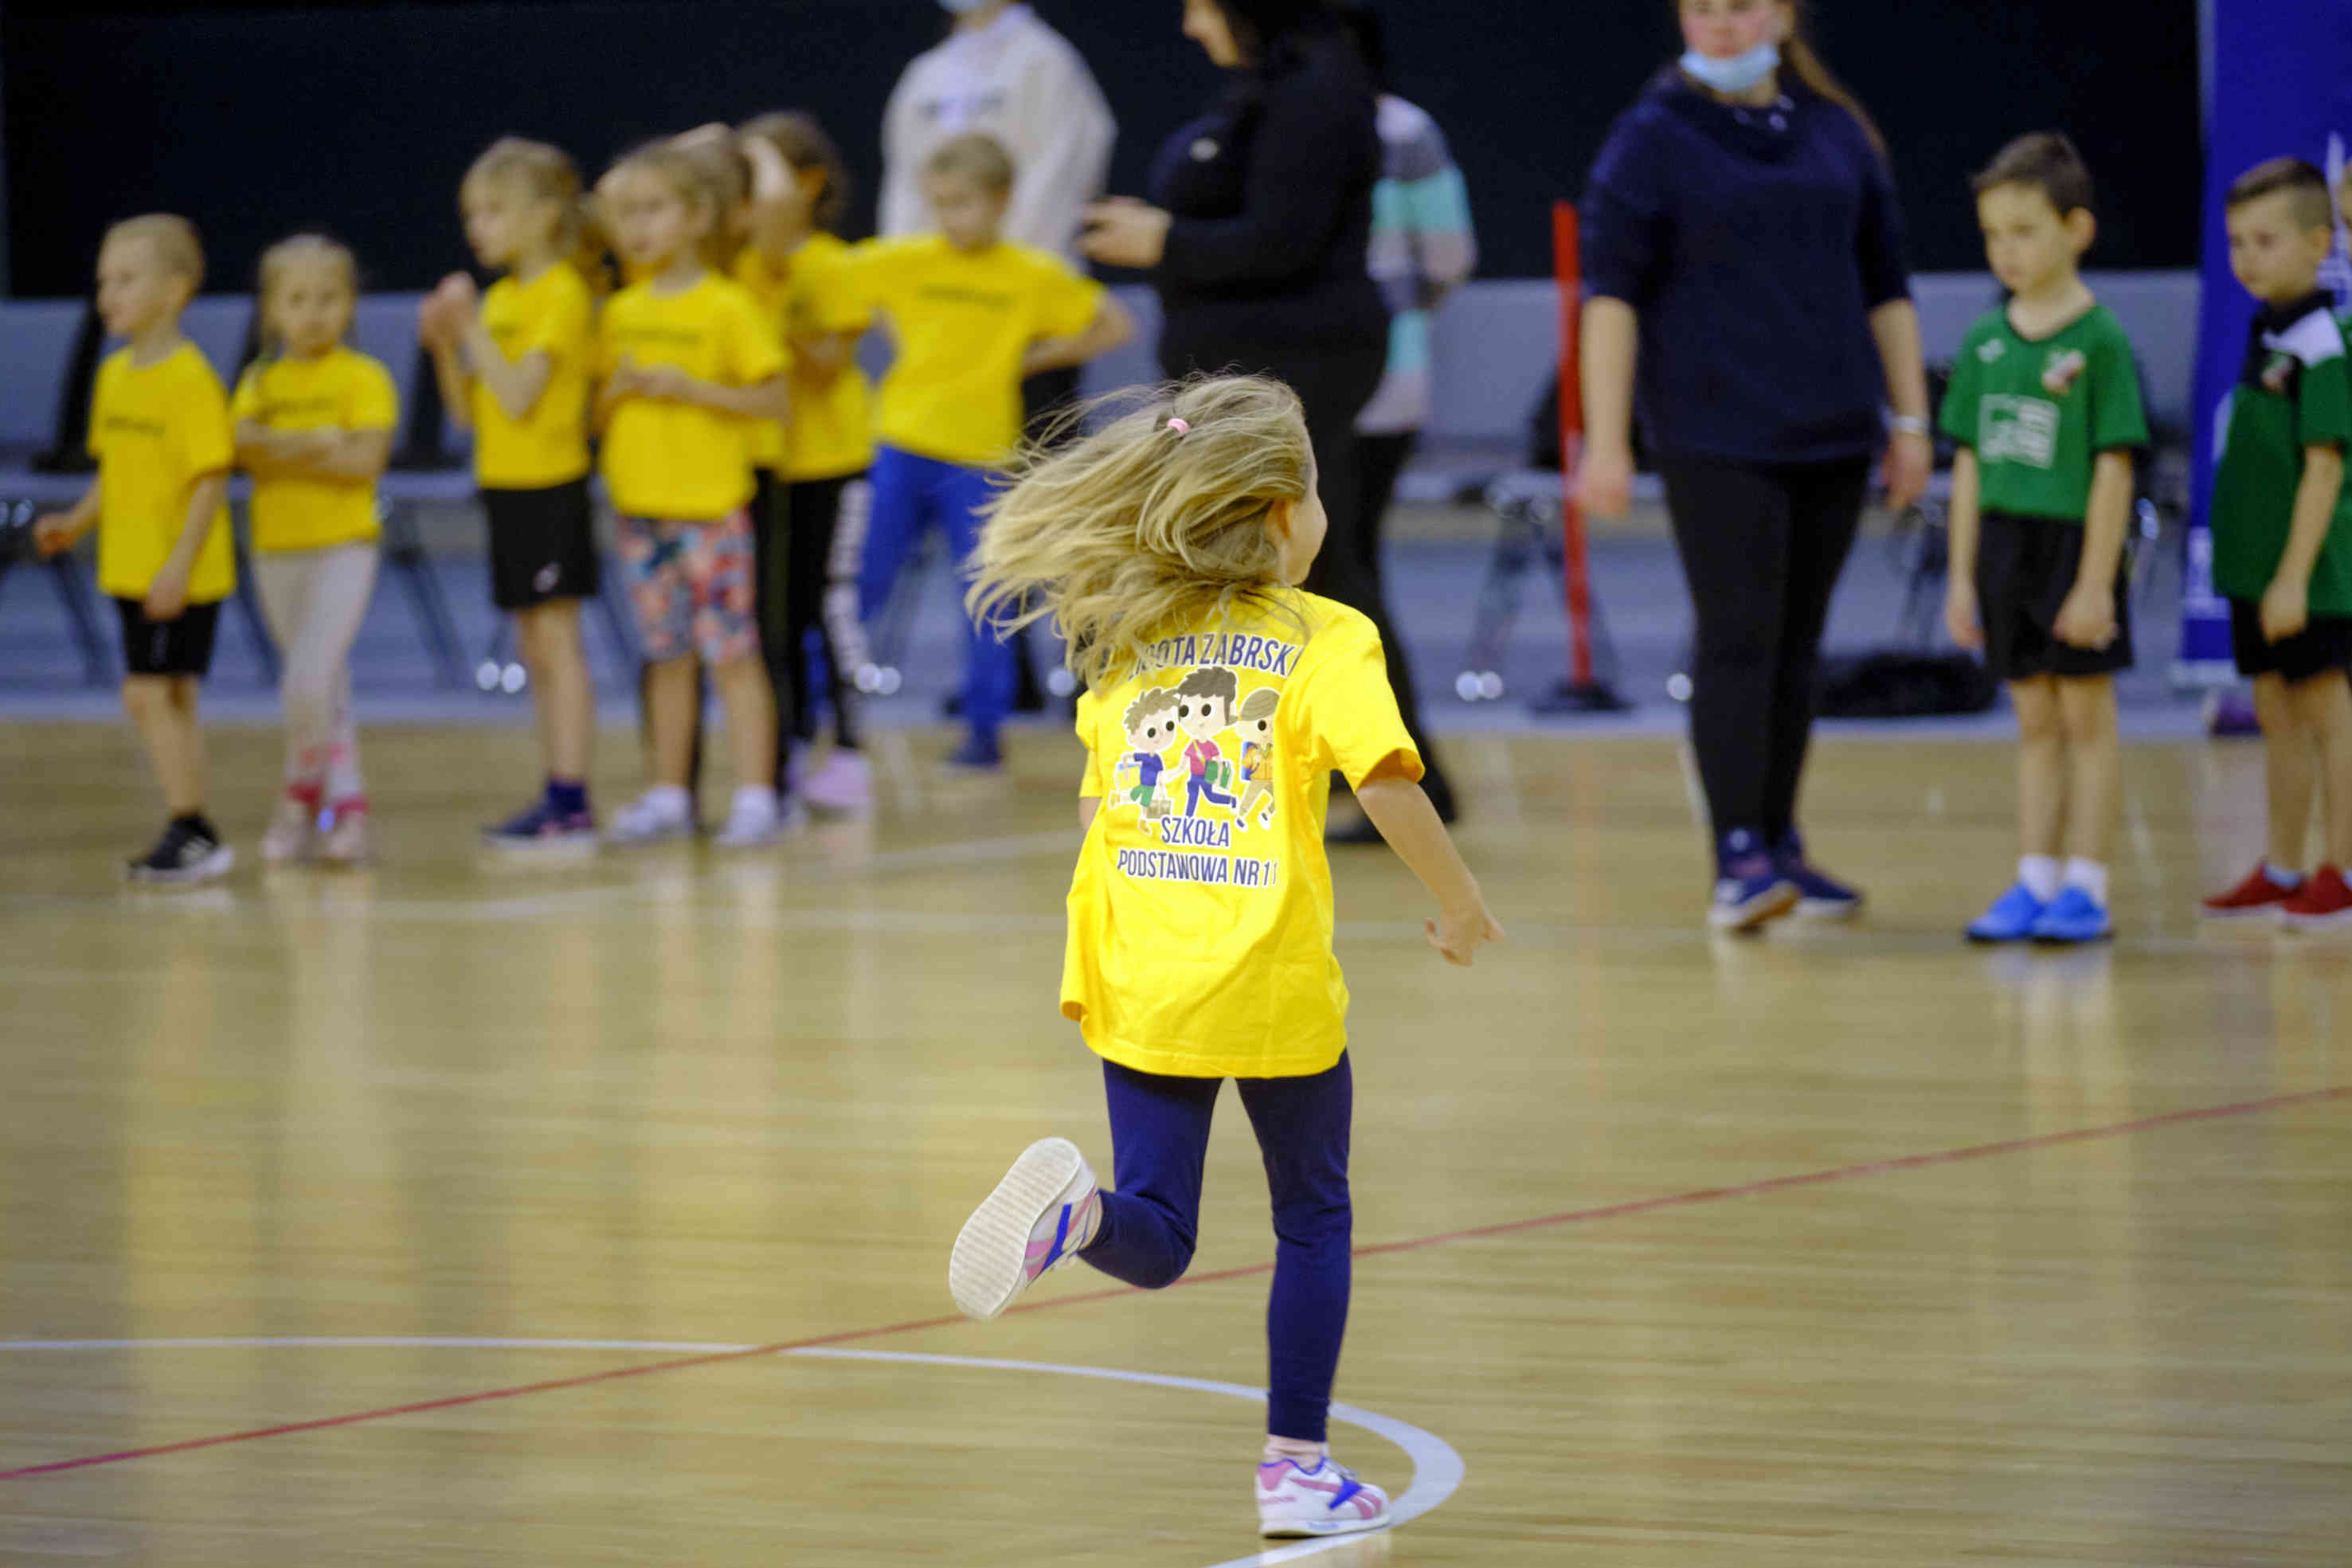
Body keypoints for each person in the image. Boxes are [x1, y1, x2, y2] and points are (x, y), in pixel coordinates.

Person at [945, 374, 1502, 1539]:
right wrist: (1458, 903)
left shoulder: (1130, 642)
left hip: (1140, 970)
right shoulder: (1327, 636)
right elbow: (1388, 779)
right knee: (1313, 1217)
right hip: (1269, 979)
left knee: (1157, 1230)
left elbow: (1104, 819)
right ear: (1286, 505)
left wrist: (1091, 963)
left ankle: (1079, 1217)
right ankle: (1295, 1466)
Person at [1579, 0, 1932, 930]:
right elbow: (1609, 296)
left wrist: (1911, 422)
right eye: (1701, 10)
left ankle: (1783, 841)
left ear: (1779, 15)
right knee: (1739, 634)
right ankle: (1736, 850)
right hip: (1713, 432)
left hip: (1834, 429)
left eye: (1738, 7)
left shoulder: (1835, 130)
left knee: (1799, 644)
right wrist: (1606, 439)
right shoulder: (1650, 137)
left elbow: (1886, 285)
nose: (1720, 26)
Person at [1081, 0, 1458, 826]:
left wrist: (1164, 242)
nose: (1186, 23)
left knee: (1312, 570)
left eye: (1199, 5)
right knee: (1305, 567)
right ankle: (1343, 773)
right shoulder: (1275, 86)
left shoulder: (1319, 87)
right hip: (1260, 365)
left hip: (1299, 365)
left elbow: (1284, 239)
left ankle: (1385, 778)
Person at [849, 133, 1135, 770]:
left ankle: (985, 729)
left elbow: (1115, 323)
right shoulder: (905, 260)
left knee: (985, 596)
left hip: (979, 457)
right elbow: (831, 288)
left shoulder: (1028, 274)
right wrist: (898, 334)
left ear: (1002, 200)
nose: (952, 218)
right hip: (899, 444)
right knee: (862, 583)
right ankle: (823, 710)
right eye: (940, 204)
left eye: (964, 203)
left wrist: (1033, 357)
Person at [1940, 135, 2148, 945]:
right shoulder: (1985, 344)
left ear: (2077, 230)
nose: (2007, 251)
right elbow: (1966, 469)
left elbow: (2113, 470)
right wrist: (1962, 578)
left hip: (2072, 546)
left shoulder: (2100, 343)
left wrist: (2096, 582)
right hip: (2001, 546)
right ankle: (2033, 878)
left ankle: (2086, 885)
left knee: (2085, 720)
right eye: (1993, 234)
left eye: (2024, 230)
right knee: (2031, 721)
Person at [593, 141, 795, 847]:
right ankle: (669, 793)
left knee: (732, 654)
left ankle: (755, 795)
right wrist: (613, 395)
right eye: (625, 214)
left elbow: (774, 399)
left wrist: (692, 389)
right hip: (639, 508)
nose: (637, 226)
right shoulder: (618, 311)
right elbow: (597, 413)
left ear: (696, 216)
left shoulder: (727, 306)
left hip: (709, 509)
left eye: (652, 209)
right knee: (666, 655)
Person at [35, 216, 237, 883]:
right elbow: (114, 473)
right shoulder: (116, 374)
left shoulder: (190, 380)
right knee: (168, 696)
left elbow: (211, 480)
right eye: (103, 281)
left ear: (175, 290)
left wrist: (179, 563)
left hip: (177, 575)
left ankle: (193, 827)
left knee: (146, 692)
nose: (108, 295)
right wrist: (77, 522)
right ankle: (193, 824)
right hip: (130, 569)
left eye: (126, 280)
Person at [420, 139, 603, 850]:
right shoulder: (500, 299)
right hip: (503, 485)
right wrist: (445, 346)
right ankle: (554, 788)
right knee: (534, 646)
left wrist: (469, 331)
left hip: (550, 485)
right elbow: (470, 411)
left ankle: (572, 794)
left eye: (495, 211)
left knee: (559, 643)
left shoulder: (560, 292)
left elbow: (523, 395)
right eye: (473, 214)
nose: (479, 227)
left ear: (546, 214)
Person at [2197, 158, 2352, 928]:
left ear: (2319, 241)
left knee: (2329, 713)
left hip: (2311, 576)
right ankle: (2284, 864)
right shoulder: (2266, 329)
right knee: (2274, 710)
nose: (2247, 257)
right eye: (2235, 242)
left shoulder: (2323, 343)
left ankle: (2342, 870)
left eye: (2265, 240)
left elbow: (2323, 469)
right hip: (2252, 570)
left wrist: (2292, 578)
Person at [233, 234, 399, 866]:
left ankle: (305, 793)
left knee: (308, 676)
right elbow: (244, 449)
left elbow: (365, 458)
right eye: (297, 299)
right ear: (272, 310)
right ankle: (340, 810)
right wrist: (319, 444)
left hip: (344, 547)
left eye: (328, 298)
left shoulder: (364, 377)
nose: (312, 313)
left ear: (350, 304)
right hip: (277, 549)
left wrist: (287, 447)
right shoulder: (259, 381)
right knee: (322, 684)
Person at [734, 112, 880, 815]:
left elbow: (827, 366)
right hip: (767, 465)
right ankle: (787, 744)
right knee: (776, 614)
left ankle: (850, 746)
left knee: (829, 603)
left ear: (807, 183)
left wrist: (781, 318)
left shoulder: (829, 264)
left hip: (832, 460)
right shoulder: (734, 266)